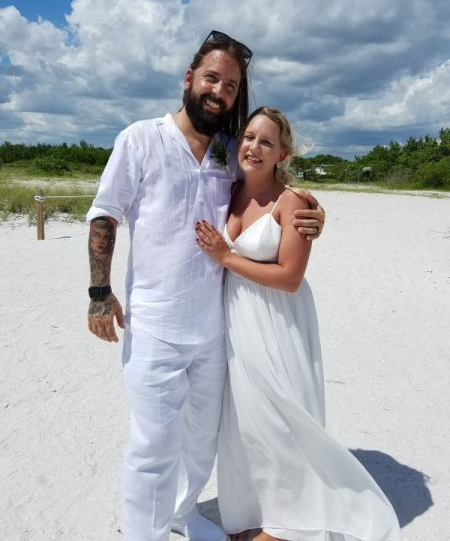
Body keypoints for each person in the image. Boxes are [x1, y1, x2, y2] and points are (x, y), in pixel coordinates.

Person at [86, 33, 325, 541]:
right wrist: (98, 293)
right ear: (189, 79)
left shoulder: (228, 151)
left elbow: (272, 191)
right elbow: (104, 213)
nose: (220, 90)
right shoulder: (141, 138)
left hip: (214, 327)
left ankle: (183, 514)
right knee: (153, 445)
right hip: (154, 323)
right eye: (212, 78)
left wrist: (314, 212)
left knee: (200, 441)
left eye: (232, 85)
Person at [196, 106, 401, 541]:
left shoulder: (294, 202)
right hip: (235, 318)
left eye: (266, 142)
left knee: (281, 418)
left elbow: (290, 278)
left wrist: (227, 257)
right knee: (244, 422)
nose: (253, 147)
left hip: (277, 319)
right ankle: (251, 510)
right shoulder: (225, 189)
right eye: (249, 137)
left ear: (282, 154)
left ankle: (293, 522)